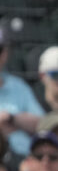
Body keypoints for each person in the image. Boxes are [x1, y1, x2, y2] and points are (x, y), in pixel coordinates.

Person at [0, 30, 44, 158]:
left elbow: (43, 124)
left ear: (5, 53)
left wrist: (11, 118)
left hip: (24, 159)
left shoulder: (18, 86)